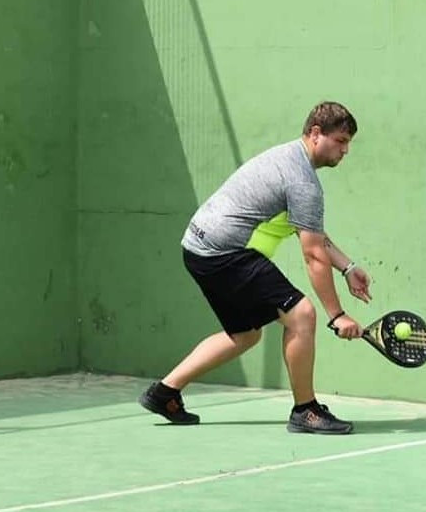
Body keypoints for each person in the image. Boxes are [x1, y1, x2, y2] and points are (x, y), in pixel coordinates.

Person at [138, 102, 371, 434]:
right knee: (302, 315)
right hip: (223, 252)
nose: (345, 150)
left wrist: (348, 268)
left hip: (195, 247)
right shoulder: (303, 181)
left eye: (348, 143)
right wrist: (337, 315)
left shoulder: (287, 157)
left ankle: (164, 393)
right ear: (316, 133)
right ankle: (305, 411)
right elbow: (313, 255)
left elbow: (312, 235)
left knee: (245, 334)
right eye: (341, 141)